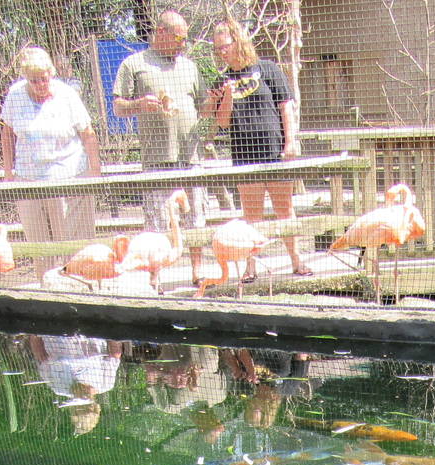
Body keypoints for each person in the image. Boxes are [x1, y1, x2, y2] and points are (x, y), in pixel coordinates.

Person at [202, 18, 312, 279]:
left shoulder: (268, 69)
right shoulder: (222, 79)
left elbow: (286, 106)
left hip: (275, 152)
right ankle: (250, 267)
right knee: (252, 215)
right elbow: (222, 122)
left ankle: (297, 261)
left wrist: (290, 142)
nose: (222, 52)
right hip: (244, 155)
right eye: (217, 49)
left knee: (284, 210)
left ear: (238, 41)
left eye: (225, 46)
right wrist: (226, 94)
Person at [0, 47, 101, 275]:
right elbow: (6, 135)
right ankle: (46, 287)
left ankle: (74, 283)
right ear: (25, 78)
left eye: (43, 79)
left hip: (65, 175)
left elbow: (88, 134)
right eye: (33, 80)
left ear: (51, 73)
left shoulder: (67, 95)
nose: (39, 85)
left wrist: (95, 170)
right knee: (38, 243)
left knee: (68, 239)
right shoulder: (15, 95)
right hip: (28, 178)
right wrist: (8, 172)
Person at [113, 11, 206, 234]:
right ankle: (160, 270)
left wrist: (220, 98)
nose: (183, 44)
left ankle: (196, 270)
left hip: (191, 158)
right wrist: (139, 104)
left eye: (185, 39)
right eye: (179, 38)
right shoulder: (134, 64)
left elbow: (204, 105)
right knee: (160, 229)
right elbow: (117, 107)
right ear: (161, 32)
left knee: (196, 226)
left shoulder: (189, 67)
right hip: (157, 161)